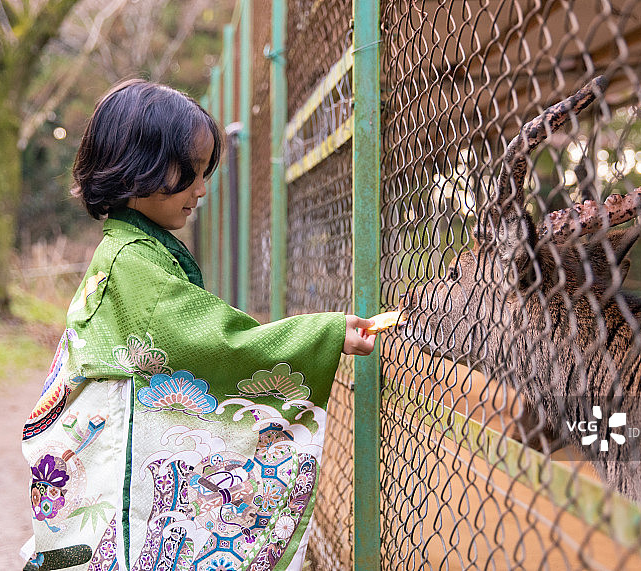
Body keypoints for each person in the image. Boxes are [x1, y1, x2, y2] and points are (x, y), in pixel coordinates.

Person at [21, 79, 375, 571]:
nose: (201, 189)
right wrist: (324, 334)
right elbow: (212, 340)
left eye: (205, 173)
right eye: (188, 173)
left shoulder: (131, 250)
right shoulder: (130, 261)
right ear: (135, 164)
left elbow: (196, 333)